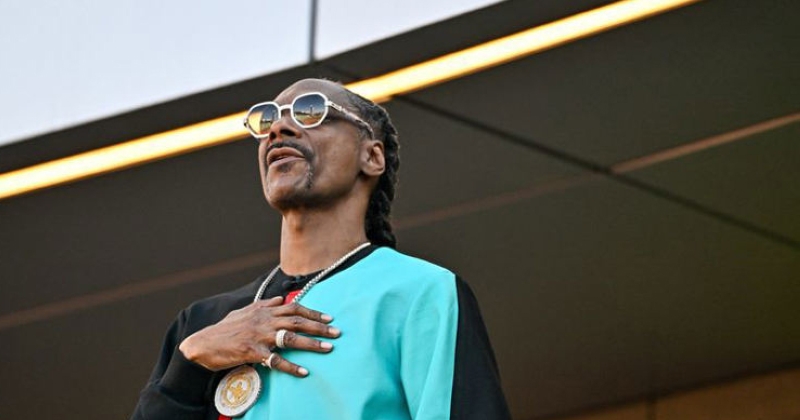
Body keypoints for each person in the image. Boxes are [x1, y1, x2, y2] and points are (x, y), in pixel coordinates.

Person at [131, 79, 510, 419]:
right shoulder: (202, 324)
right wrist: (189, 362)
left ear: (372, 157)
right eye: (267, 120)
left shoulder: (422, 292)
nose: (278, 128)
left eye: (310, 111)